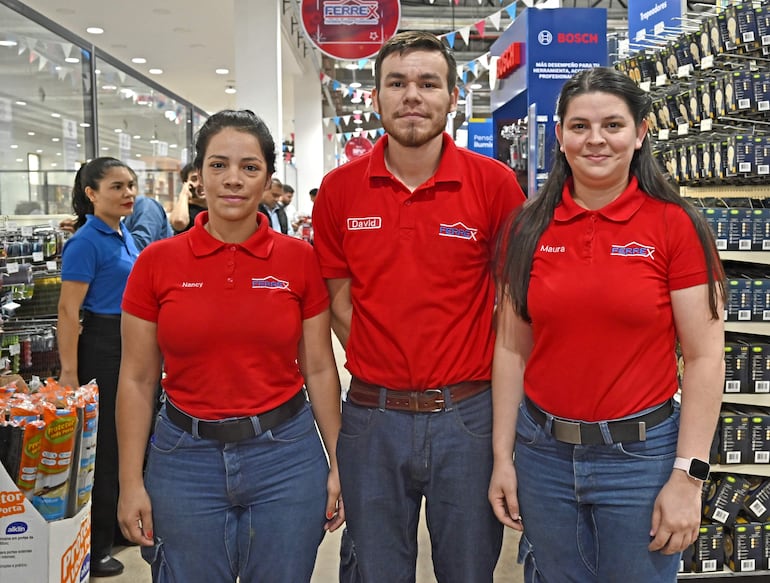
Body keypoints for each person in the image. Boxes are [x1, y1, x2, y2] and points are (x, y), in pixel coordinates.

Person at [489, 67, 725, 582]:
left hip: (642, 461)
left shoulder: (676, 226)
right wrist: (503, 457)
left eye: (613, 125)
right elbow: (511, 349)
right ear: (560, 134)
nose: (595, 140)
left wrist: (689, 474)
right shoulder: (527, 227)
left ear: (641, 133)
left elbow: (706, 357)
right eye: (579, 126)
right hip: (543, 455)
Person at [312, 30, 525, 582]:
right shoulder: (338, 191)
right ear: (376, 97)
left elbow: (512, 305)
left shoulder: (496, 186)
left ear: (452, 96)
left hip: (470, 417)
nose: (412, 96)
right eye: (398, 83)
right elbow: (339, 298)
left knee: (470, 570)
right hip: (370, 418)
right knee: (374, 570)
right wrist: (390, 355)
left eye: (428, 83)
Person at [116, 109, 344, 583]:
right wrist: (130, 481)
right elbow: (137, 380)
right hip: (183, 460)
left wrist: (338, 462)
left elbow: (321, 368)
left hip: (286, 456)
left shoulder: (299, 260)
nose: (233, 180)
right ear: (197, 177)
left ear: (267, 179)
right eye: (218, 165)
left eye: (250, 167)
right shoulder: (157, 263)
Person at [57, 156, 140, 577]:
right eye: (117, 187)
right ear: (91, 194)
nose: (128, 193)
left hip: (131, 343)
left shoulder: (124, 234)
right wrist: (69, 373)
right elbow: (69, 312)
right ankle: (97, 541)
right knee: (105, 444)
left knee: (130, 436)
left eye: (130, 185)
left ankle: (120, 527)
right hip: (103, 346)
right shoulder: (86, 242)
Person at [169, 163, 206, 233]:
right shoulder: (185, 210)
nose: (200, 183)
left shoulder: (216, 209)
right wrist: (184, 193)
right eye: (194, 179)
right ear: (186, 183)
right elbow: (179, 222)